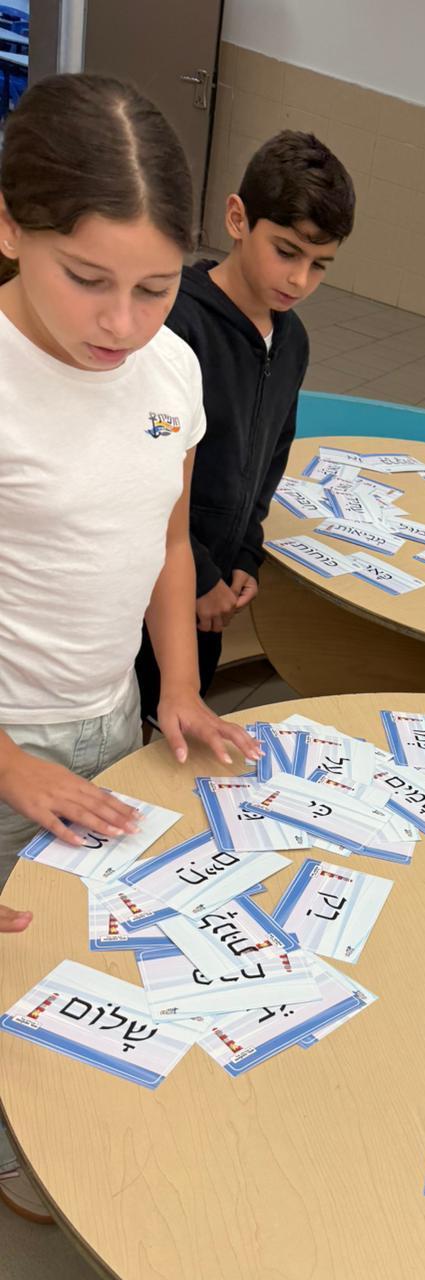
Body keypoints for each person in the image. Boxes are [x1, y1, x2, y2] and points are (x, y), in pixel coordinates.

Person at [0, 73, 259, 1221]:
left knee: (86, 956)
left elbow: (167, 532)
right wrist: (9, 765)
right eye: (87, 279)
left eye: (155, 287)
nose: (122, 322)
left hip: (106, 717)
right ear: (11, 228)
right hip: (7, 741)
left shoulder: (172, 368)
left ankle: (63, 1123)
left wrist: (181, 687)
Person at [135, 129, 356, 721]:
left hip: (213, 588)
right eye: (286, 252)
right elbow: (145, 476)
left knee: (176, 722)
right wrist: (199, 574)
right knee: (133, 720)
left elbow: (271, 456)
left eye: (319, 265)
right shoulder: (176, 324)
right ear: (238, 218)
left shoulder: (292, 341)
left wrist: (245, 556)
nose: (300, 280)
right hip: (148, 584)